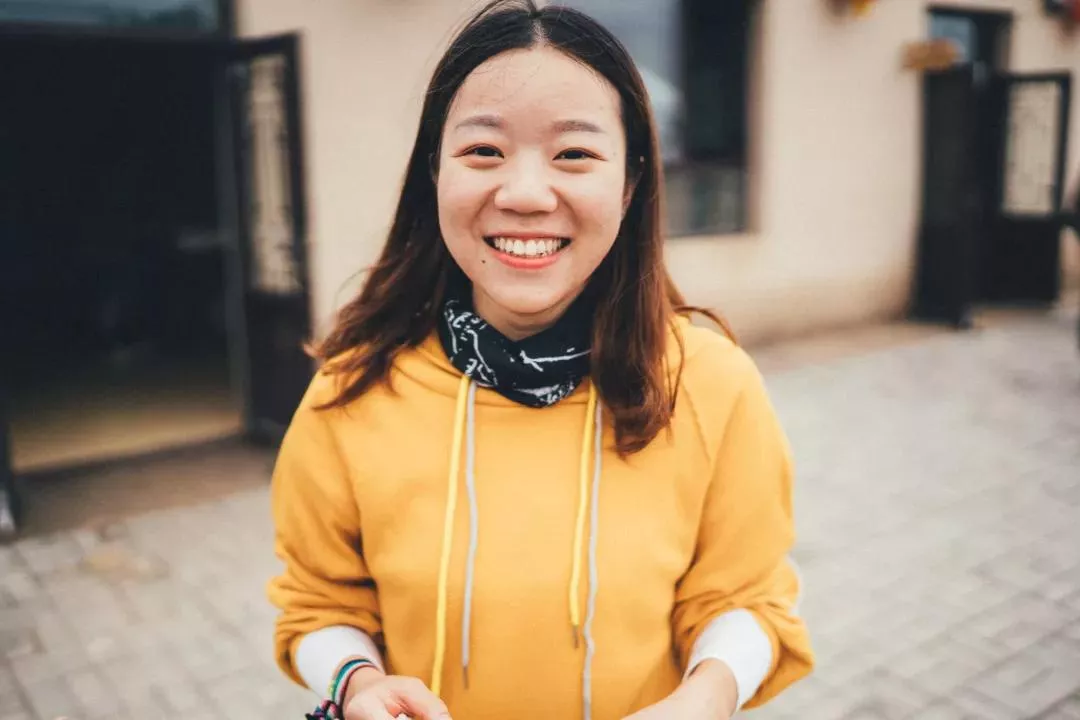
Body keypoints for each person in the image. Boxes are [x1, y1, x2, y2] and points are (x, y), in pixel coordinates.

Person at [267, 2, 814, 719]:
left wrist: (705, 698)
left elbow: (747, 597)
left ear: (630, 183)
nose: (525, 195)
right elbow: (317, 605)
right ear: (435, 172)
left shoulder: (711, 384)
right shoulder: (352, 390)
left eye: (574, 154)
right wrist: (358, 683)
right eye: (484, 151)